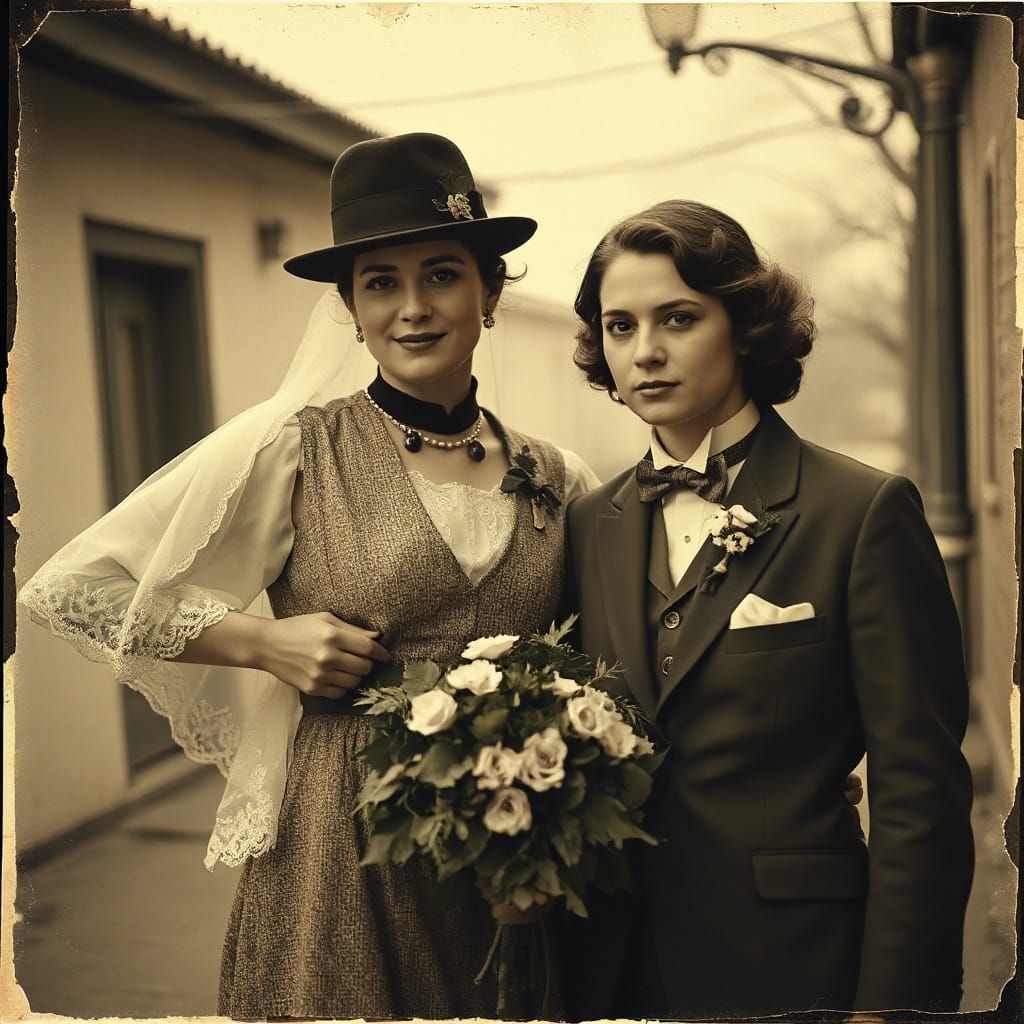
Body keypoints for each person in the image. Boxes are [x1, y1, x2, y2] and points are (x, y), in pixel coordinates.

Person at [18, 132, 598, 1020]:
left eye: (442, 273)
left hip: (518, 848)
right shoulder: (294, 447)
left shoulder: (559, 476)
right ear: (351, 309)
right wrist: (263, 641)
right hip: (345, 842)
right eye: (380, 283)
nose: (413, 308)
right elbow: (71, 589)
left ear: (489, 293)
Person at [563, 200, 974, 1018]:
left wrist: (891, 1004)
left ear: (745, 326)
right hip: (613, 971)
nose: (645, 352)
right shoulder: (585, 525)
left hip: (799, 967)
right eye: (619, 326)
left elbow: (919, 789)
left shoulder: (862, 511)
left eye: (678, 319)